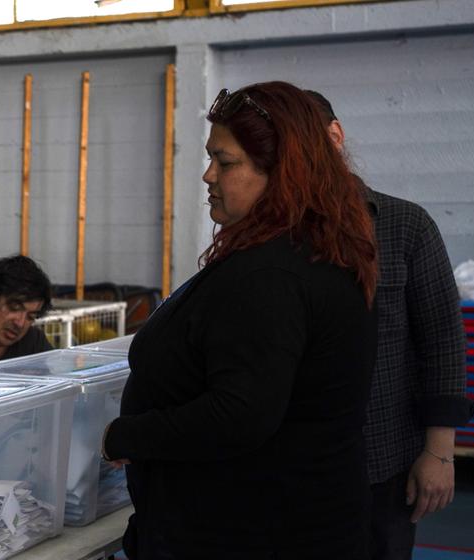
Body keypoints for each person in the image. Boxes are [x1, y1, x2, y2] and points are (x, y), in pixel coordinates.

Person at [101, 82, 380, 558]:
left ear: (284, 172)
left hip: (247, 531)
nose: (209, 176)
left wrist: (125, 435)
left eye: (226, 163)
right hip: (298, 519)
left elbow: (239, 415)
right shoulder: (319, 252)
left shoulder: (270, 273)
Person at [306, 89, 474, 560]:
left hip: (382, 463)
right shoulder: (277, 237)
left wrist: (440, 452)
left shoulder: (405, 225)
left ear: (334, 137)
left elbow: (443, 340)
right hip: (293, 468)